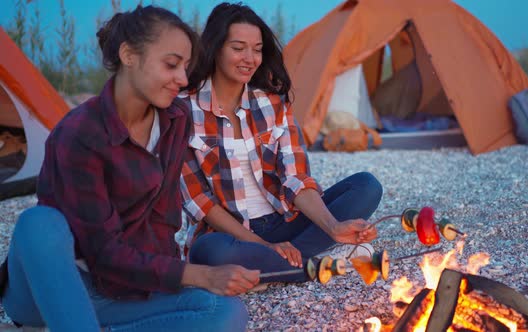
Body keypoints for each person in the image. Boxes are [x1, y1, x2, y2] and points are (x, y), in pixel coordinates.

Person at [0, 5, 258, 332]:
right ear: (128, 55)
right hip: (54, 283)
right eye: (171, 65)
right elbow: (102, 251)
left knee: (226, 313)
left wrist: (174, 281)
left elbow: (164, 219)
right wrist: (200, 275)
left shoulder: (174, 120)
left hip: (122, 289)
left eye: (186, 67)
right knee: (38, 223)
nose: (182, 79)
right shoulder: (79, 134)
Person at [181, 2, 383, 285]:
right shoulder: (183, 111)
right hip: (230, 235)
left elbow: (296, 178)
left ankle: (284, 266)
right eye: (238, 48)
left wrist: (334, 227)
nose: (250, 58)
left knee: (366, 186)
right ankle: (319, 262)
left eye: (257, 49)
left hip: (285, 222)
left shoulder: (272, 103)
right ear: (215, 48)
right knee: (207, 253)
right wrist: (263, 246)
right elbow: (200, 203)